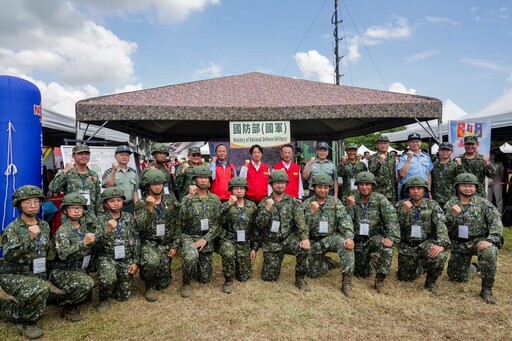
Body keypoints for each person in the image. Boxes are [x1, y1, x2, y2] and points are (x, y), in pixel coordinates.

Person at [0, 186, 51, 339]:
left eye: (37, 201)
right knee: (41, 288)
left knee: (51, 291)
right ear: (19, 205)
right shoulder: (12, 229)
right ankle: (26, 320)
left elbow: (47, 252)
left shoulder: (45, 226)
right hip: (13, 274)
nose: (33, 205)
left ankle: (28, 300)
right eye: (28, 202)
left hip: (37, 272)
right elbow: (9, 255)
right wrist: (29, 239)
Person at [445, 173, 503, 304]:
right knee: (457, 277)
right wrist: (452, 216)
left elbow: (496, 221)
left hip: (479, 241)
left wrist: (490, 239)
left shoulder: (483, 203)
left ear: (476, 187)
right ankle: (476, 267)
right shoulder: (450, 204)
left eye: (471, 186)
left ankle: (487, 290)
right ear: (458, 187)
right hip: (459, 243)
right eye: (464, 185)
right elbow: (443, 228)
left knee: (490, 252)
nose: (467, 188)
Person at [255, 170, 311, 291]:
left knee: (304, 249)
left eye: (282, 183)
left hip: (288, 239)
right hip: (271, 243)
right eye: (277, 183)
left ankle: (300, 279)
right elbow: (259, 224)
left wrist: (305, 238)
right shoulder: (264, 202)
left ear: (286, 184)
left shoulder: (293, 202)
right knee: (269, 278)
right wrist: (267, 209)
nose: (280, 185)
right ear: (271, 184)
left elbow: (301, 223)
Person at [346, 171, 400, 293]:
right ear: (357, 186)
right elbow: (345, 221)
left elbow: (391, 219)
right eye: (361, 184)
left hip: (374, 238)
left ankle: (380, 280)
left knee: (387, 247)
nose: (364, 187)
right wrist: (350, 207)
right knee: (362, 273)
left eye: (367, 184)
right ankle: (370, 261)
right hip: (357, 240)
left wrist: (391, 237)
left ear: (372, 185)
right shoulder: (352, 199)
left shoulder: (380, 199)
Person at [395, 177, 450, 296]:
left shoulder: (432, 205)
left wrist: (441, 244)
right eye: (412, 188)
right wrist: (404, 212)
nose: (415, 191)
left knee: (439, 255)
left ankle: (430, 283)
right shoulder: (400, 205)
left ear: (424, 190)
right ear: (408, 190)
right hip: (408, 246)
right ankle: (421, 265)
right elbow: (396, 228)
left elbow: (441, 224)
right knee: (405, 278)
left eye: (419, 188)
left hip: (426, 243)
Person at [303, 174, 355, 297]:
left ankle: (346, 283)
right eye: (319, 187)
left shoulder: (335, 202)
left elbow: (344, 219)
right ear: (314, 187)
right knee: (313, 273)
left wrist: (348, 236)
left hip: (332, 237)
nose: (323, 190)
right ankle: (328, 263)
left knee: (346, 246)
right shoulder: (307, 204)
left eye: (326, 187)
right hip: (314, 241)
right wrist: (311, 213)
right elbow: (302, 227)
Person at [134, 169, 180, 302]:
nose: (157, 186)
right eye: (154, 184)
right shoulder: (142, 203)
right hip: (149, 243)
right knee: (152, 262)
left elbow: (177, 223)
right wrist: (149, 209)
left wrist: (174, 245)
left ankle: (153, 272)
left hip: (166, 243)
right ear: (148, 186)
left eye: (160, 183)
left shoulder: (170, 200)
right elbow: (140, 227)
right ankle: (148, 286)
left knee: (163, 283)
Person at [48, 193, 95, 322]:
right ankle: (68, 309)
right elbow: (63, 255)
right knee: (86, 284)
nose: (76, 210)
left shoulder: (84, 228)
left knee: (87, 295)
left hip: (79, 268)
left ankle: (58, 298)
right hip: (61, 270)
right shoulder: (63, 231)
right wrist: (83, 243)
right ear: (65, 211)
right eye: (72, 208)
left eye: (79, 208)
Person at [178, 166, 222, 298]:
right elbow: (182, 218)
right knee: (191, 256)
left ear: (209, 180)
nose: (203, 180)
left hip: (206, 237)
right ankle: (186, 283)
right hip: (190, 236)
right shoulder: (187, 198)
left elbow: (218, 223)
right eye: (200, 178)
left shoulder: (215, 199)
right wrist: (190, 198)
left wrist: (206, 239)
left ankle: (198, 265)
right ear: (195, 180)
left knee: (205, 278)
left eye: (206, 178)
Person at [94, 187, 140, 311]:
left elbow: (135, 239)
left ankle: (116, 283)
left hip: (125, 257)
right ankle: (104, 299)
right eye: (112, 201)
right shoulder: (100, 220)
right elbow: (96, 246)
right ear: (106, 204)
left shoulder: (129, 217)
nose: (116, 203)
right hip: (107, 256)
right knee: (109, 278)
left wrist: (135, 261)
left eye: (118, 200)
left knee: (124, 296)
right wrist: (107, 231)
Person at [218, 177, 258, 294]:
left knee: (243, 277)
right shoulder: (225, 205)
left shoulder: (252, 206)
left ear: (246, 190)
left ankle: (238, 266)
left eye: (241, 188)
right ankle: (228, 280)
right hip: (228, 239)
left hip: (244, 241)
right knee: (228, 253)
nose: (239, 191)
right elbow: (218, 221)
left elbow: (256, 229)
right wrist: (228, 205)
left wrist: (254, 248)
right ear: (231, 190)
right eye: (236, 189)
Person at [49, 144, 102, 229]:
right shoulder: (67, 173)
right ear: (73, 155)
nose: (84, 156)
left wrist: (100, 216)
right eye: (80, 154)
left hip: (90, 219)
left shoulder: (93, 175)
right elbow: (53, 188)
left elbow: (98, 197)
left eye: (86, 154)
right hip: (72, 218)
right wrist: (64, 171)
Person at [102, 145, 139, 214]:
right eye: (122, 155)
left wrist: (136, 208)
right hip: (115, 207)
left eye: (127, 155)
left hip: (129, 206)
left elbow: (135, 191)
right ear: (115, 157)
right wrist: (113, 171)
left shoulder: (133, 172)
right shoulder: (109, 172)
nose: (124, 157)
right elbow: (108, 186)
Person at [398, 133, 433, 199]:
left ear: (421, 142)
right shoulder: (403, 157)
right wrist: (409, 159)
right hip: (409, 189)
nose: (415, 144)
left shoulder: (426, 156)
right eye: (412, 142)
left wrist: (429, 191)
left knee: (425, 209)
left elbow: (428, 175)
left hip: (423, 189)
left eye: (417, 141)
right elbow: (402, 174)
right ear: (408, 144)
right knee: (408, 208)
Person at [368, 135, 397, 205]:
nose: (383, 145)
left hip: (392, 191)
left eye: (385, 143)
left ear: (388, 145)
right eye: (381, 143)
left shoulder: (392, 157)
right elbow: (371, 170)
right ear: (377, 145)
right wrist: (379, 162)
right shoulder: (373, 157)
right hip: (380, 190)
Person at [431, 142, 457, 209]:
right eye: (442, 150)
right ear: (439, 151)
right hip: (436, 199)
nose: (445, 152)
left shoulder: (456, 165)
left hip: (451, 199)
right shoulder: (433, 165)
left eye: (448, 150)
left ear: (452, 152)